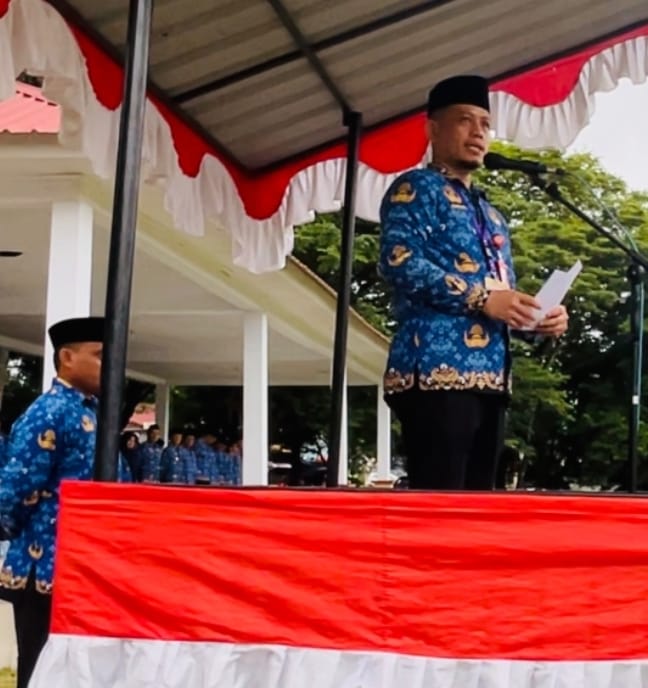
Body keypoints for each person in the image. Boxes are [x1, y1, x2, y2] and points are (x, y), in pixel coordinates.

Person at [379, 75, 568, 491]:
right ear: (433, 129)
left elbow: (502, 294)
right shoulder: (416, 188)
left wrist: (536, 319)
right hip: (434, 372)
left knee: (480, 507)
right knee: (442, 502)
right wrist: (480, 297)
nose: (479, 133)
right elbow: (399, 260)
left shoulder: (491, 214)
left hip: (492, 379)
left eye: (485, 124)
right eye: (465, 120)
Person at [0, 316, 104, 688]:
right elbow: (15, 489)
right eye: (99, 355)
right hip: (44, 564)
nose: (109, 365)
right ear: (67, 357)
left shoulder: (91, 412)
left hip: (84, 563)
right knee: (39, 666)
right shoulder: (48, 412)